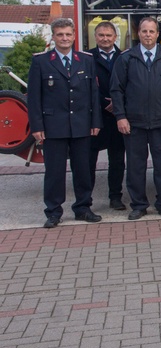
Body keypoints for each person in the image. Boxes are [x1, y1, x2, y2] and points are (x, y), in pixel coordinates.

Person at [28, 18, 102, 228]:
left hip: (81, 124)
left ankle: (83, 208)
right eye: (60, 34)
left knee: (83, 169)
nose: (65, 38)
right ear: (53, 37)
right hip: (53, 126)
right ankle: (53, 212)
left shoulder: (85, 60)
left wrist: (95, 121)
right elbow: (34, 97)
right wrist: (37, 126)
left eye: (68, 34)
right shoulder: (41, 61)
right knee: (54, 172)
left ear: (74, 36)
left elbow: (93, 94)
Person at [111, 16, 161, 220]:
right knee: (136, 167)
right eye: (144, 31)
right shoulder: (126, 58)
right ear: (138, 33)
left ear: (158, 34)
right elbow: (116, 90)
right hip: (134, 123)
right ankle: (138, 205)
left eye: (152, 31)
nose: (148, 35)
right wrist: (121, 117)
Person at [87, 20, 126, 211]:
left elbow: (131, 84)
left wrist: (118, 104)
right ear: (95, 37)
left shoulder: (124, 57)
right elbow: (85, 88)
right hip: (95, 117)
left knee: (117, 161)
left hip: (117, 117)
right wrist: (105, 103)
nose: (105, 39)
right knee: (89, 162)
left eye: (108, 35)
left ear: (115, 37)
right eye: (101, 35)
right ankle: (86, 200)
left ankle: (115, 197)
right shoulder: (87, 58)